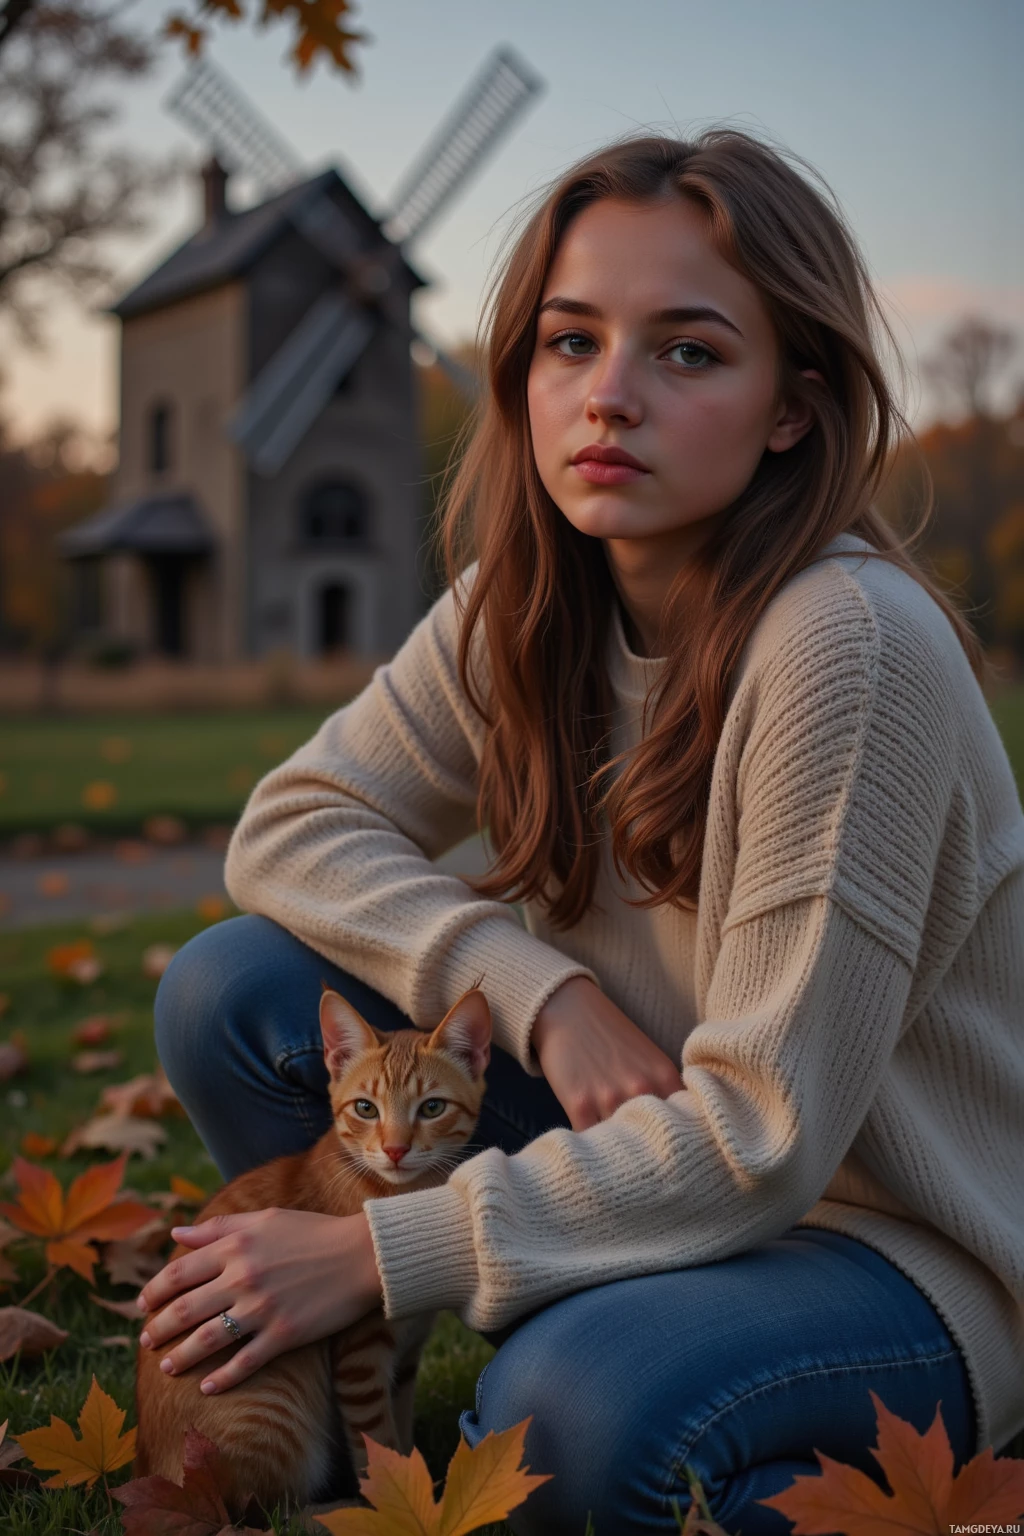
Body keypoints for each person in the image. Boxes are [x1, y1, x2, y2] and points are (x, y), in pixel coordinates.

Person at [136, 129, 1024, 1534]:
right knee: (229, 990)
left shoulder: (846, 648)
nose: (607, 397)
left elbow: (768, 1140)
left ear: (791, 406)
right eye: (569, 342)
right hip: (649, 1141)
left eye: (686, 352)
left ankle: (757, 1433)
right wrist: (547, 1001)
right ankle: (549, 1329)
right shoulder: (527, 604)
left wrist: (379, 1251)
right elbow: (294, 824)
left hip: (880, 1238)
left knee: (574, 1426)